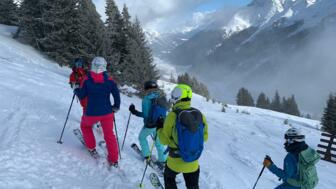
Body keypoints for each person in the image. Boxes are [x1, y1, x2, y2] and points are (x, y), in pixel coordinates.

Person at [157, 84, 208, 189]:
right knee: (193, 185)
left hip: (175, 161)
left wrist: (159, 128)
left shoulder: (172, 115)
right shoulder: (199, 114)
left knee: (168, 177)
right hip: (193, 160)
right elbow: (205, 137)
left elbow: (164, 140)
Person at [74, 57, 121, 167]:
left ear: (92, 65)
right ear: (104, 67)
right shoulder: (109, 80)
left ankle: (91, 147)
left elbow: (81, 95)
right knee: (109, 135)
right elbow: (116, 94)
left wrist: (76, 89)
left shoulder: (87, 79)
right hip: (107, 112)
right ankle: (114, 159)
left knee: (85, 126)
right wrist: (116, 106)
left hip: (91, 112)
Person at [128, 81, 167, 167]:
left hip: (151, 124)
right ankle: (163, 160)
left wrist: (134, 112)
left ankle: (147, 156)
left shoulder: (147, 98)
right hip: (160, 123)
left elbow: (146, 115)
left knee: (142, 137)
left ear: (146, 88)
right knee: (158, 141)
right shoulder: (161, 96)